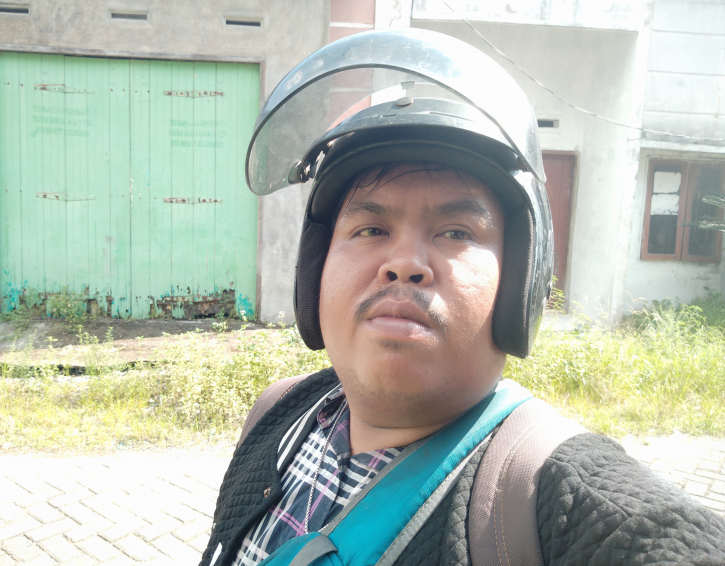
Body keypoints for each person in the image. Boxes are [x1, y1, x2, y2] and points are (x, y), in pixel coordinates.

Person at [200, 29, 725, 566]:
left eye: (456, 232)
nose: (404, 263)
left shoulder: (556, 502)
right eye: (371, 229)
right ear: (316, 270)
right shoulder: (278, 412)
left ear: (519, 284)